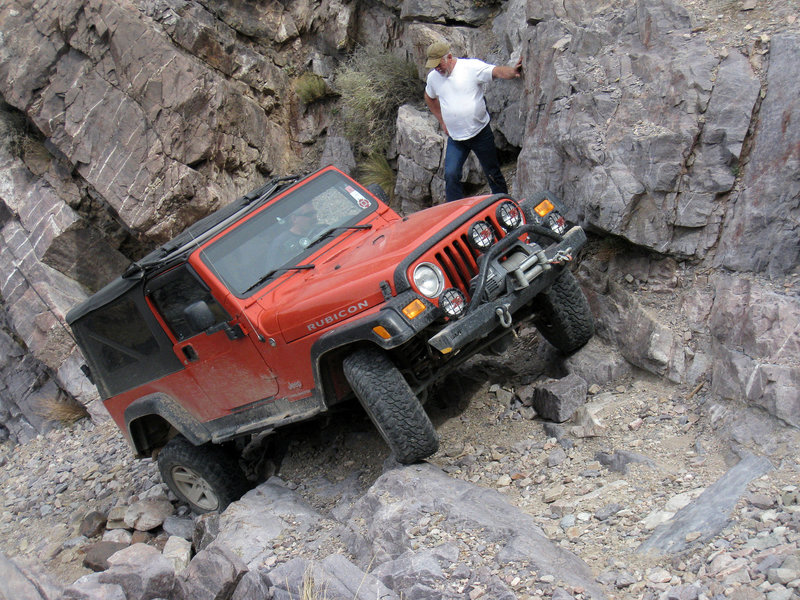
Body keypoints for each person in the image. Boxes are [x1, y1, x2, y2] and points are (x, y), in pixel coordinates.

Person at [423, 41, 522, 203]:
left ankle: (505, 205)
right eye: (433, 66)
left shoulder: (470, 68)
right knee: (451, 174)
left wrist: (512, 71)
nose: (437, 69)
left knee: (492, 172)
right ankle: (454, 214)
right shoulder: (433, 78)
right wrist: (441, 120)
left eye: (438, 64)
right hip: (456, 138)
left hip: (480, 133)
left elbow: (496, 71)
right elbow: (429, 97)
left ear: (448, 57)